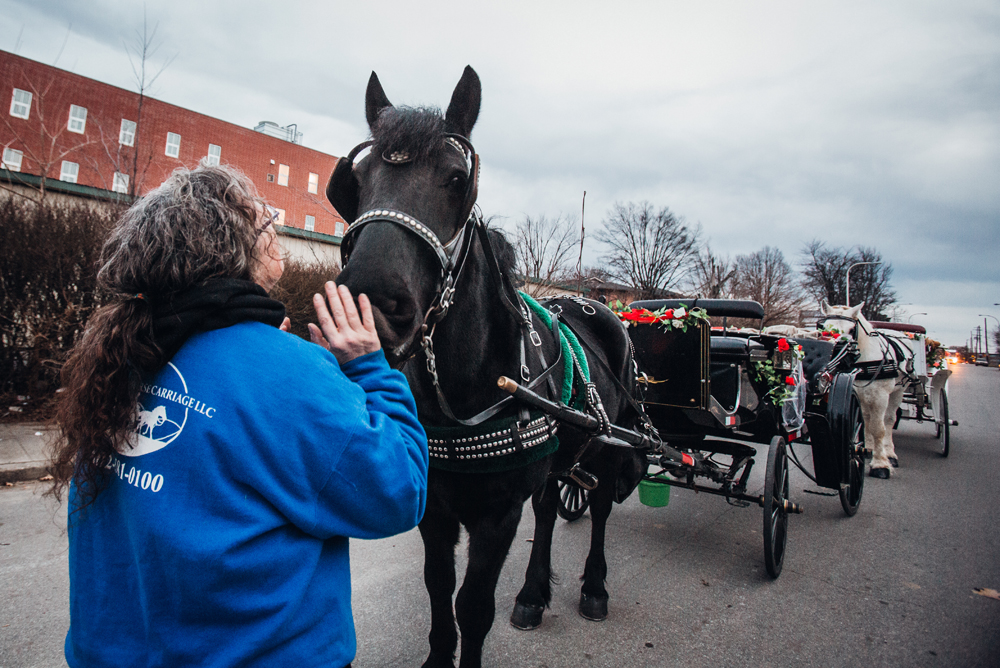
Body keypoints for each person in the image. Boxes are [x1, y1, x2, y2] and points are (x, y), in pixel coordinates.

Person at [50, 163, 428, 668]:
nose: (274, 220)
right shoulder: (287, 372)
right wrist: (369, 367)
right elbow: (399, 490)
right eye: (263, 215)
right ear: (232, 243)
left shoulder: (122, 355)